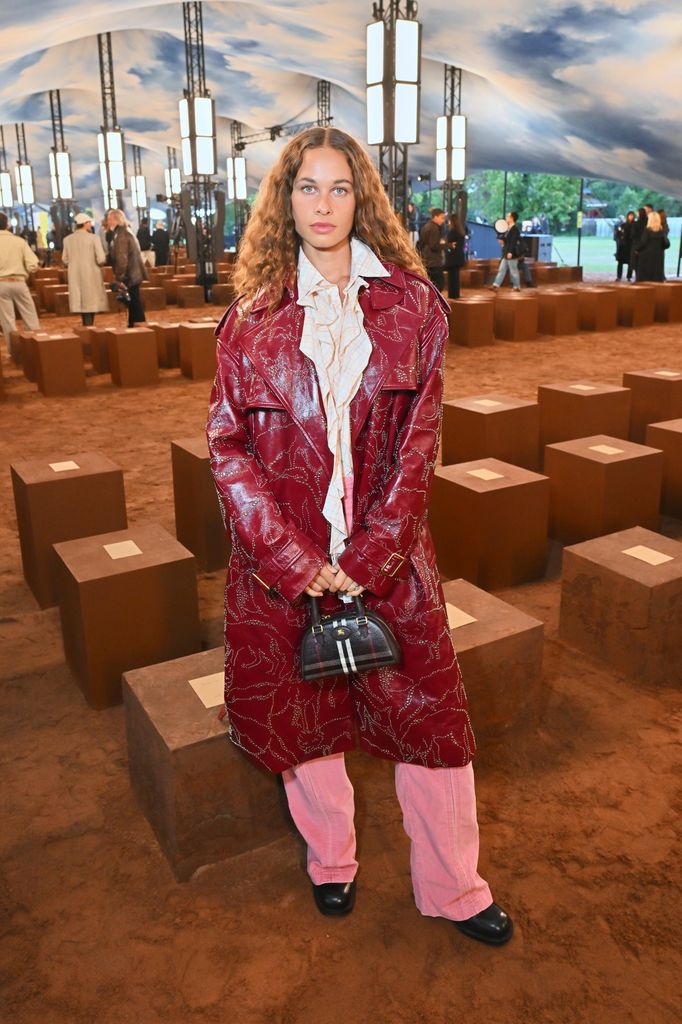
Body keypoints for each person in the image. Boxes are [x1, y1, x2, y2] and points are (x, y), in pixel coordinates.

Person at [206, 126, 512, 946]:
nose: (323, 205)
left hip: (394, 560)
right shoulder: (251, 319)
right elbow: (228, 446)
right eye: (307, 187)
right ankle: (331, 862)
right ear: (284, 202)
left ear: (362, 198)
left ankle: (455, 887)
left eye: (340, 188)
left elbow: (420, 443)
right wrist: (294, 561)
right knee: (308, 727)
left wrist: (371, 555)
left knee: (433, 726)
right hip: (286, 566)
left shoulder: (414, 307)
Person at [0, 210, 40, 352]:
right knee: (30, 317)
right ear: (7, 225)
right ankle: (37, 347)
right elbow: (33, 264)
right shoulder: (19, 241)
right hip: (18, 281)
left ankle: (14, 352)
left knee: (8, 321)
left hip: (1, 284)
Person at [62, 212, 109, 326]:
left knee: (81, 302)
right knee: (91, 302)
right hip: (91, 274)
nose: (91, 224)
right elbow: (101, 259)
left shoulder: (67, 239)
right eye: (89, 222)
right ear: (85, 223)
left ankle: (86, 325)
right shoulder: (94, 238)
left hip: (75, 275)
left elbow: (64, 259)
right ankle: (89, 326)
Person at [108, 209, 147, 327]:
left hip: (130, 274)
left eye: (109, 219)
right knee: (133, 302)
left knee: (134, 303)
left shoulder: (121, 235)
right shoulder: (126, 231)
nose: (108, 222)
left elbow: (122, 259)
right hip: (134, 273)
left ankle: (140, 328)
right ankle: (134, 326)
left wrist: (119, 278)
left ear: (116, 219)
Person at [489, 211, 521, 290]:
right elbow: (506, 241)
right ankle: (496, 285)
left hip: (511, 253)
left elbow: (513, 242)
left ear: (512, 218)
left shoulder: (515, 229)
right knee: (502, 270)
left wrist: (510, 252)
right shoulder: (508, 229)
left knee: (513, 270)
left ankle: (517, 286)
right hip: (506, 253)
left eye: (508, 216)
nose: (506, 218)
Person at [418, 207, 446, 290]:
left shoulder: (425, 226)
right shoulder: (434, 228)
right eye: (442, 217)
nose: (443, 220)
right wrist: (445, 245)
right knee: (439, 285)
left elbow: (421, 243)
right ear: (435, 217)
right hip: (434, 260)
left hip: (426, 259)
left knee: (429, 285)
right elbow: (434, 246)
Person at [635, 210, 666, 282]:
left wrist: (636, 249)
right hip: (658, 258)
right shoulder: (661, 232)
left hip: (646, 258)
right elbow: (667, 244)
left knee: (645, 280)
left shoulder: (647, 231)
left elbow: (643, 243)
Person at [444, 212, 466, 298]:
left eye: (449, 220)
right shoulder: (460, 231)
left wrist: (446, 243)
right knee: (455, 276)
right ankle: (456, 294)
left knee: (452, 277)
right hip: (459, 257)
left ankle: (452, 295)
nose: (448, 222)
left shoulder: (453, 231)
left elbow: (448, 242)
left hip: (453, 257)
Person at [614, 212, 635, 281]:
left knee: (630, 263)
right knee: (620, 262)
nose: (631, 217)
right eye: (630, 216)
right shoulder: (623, 225)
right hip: (622, 247)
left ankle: (629, 276)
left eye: (632, 216)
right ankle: (619, 276)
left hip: (630, 246)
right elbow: (617, 234)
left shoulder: (635, 225)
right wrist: (620, 240)